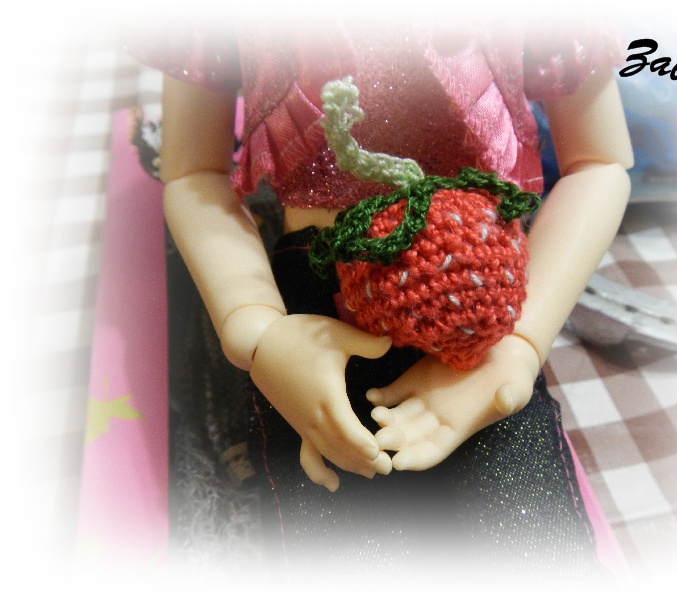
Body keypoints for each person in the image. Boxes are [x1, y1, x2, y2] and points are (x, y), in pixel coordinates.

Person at [129, 14, 634, 584]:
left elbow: (598, 165)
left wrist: (519, 345)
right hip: (319, 310)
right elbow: (195, 173)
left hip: (477, 299)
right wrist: (258, 327)